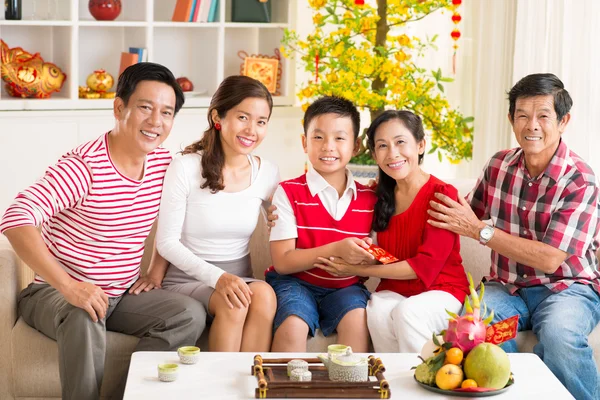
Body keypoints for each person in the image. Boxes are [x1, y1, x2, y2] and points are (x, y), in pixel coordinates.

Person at [0, 62, 206, 400]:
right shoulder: (83, 168)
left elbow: (195, 204)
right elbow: (15, 218)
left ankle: (128, 395)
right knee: (83, 312)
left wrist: (273, 205)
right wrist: (69, 286)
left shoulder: (162, 165)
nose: (156, 121)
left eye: (167, 112)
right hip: (54, 296)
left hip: (119, 295)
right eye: (145, 107)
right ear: (119, 107)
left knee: (187, 314)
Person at [428, 73, 600, 400]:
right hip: (506, 288)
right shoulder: (498, 165)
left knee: (560, 336)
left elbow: (551, 257)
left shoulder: (580, 179)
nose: (532, 125)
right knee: (476, 330)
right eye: (522, 115)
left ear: (563, 121)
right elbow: (461, 213)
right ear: (511, 120)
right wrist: (393, 187)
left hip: (567, 288)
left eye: (543, 116)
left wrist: (481, 231)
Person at [315, 110, 469, 353]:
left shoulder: (442, 195)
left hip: (442, 290)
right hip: (395, 290)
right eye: (382, 146)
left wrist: (355, 269)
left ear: (420, 145)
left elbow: (425, 266)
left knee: (408, 313)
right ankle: (392, 384)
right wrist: (274, 208)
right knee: (377, 310)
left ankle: (419, 384)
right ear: (375, 155)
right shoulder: (375, 194)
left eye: (400, 142)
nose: (392, 153)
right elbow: (335, 220)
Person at [150, 75, 280, 352]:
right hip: (188, 279)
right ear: (217, 117)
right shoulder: (184, 167)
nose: (251, 130)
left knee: (266, 295)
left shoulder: (267, 172)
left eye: (261, 121)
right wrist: (218, 278)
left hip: (240, 279)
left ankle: (251, 386)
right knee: (235, 302)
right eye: (243, 117)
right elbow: (166, 243)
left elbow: (283, 220)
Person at [267, 96, 377, 353]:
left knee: (356, 320)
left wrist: (362, 260)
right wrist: (336, 248)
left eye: (340, 138)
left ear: (356, 145)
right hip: (294, 283)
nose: (328, 146)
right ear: (304, 142)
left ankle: (350, 390)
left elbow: (374, 260)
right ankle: (286, 391)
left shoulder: (371, 199)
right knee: (293, 324)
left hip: (346, 287)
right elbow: (283, 262)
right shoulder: (288, 192)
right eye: (318, 137)